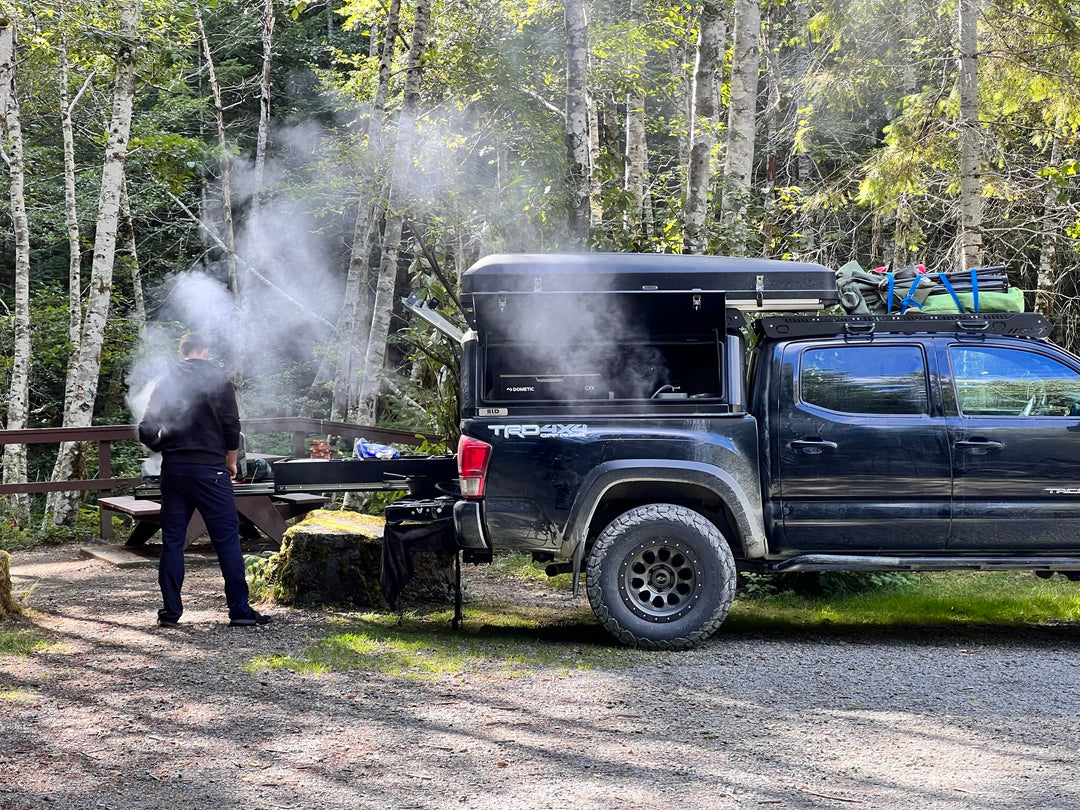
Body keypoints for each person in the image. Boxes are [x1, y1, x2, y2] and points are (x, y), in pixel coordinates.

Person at [138, 331, 272, 628]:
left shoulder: (166, 382)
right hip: (211, 472)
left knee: (172, 542)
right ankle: (239, 611)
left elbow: (146, 428)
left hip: (175, 471)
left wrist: (164, 448)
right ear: (206, 351)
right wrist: (232, 461)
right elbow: (231, 426)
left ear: (181, 351)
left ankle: (170, 614)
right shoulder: (219, 381)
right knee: (227, 541)